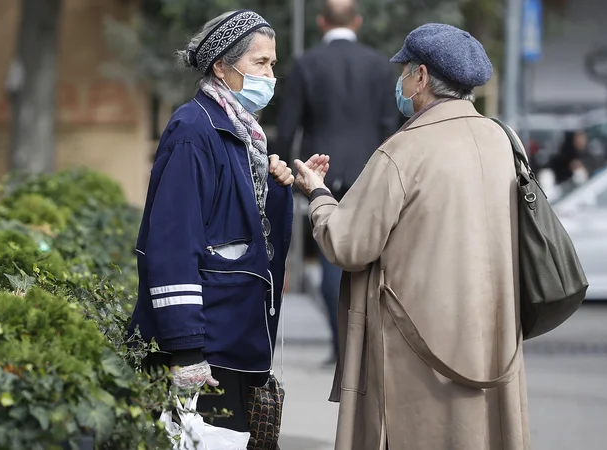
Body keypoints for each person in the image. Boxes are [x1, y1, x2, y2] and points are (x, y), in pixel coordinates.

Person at [293, 23, 530, 450]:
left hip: (417, 353)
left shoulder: (404, 150)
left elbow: (348, 245)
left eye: (404, 72)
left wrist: (319, 194)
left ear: (421, 77)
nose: (400, 83)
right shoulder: (501, 141)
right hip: (491, 342)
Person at [128, 10, 294, 433]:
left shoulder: (242, 132)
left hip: (236, 340)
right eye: (260, 64)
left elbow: (245, 235)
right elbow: (172, 243)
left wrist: (276, 187)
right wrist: (185, 351)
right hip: (206, 349)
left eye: (273, 64)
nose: (270, 75)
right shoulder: (194, 130)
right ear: (222, 66)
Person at [275, 0, 398, 366]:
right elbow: (390, 125)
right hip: (370, 172)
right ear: (357, 22)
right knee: (373, 257)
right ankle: (371, 346)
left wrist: (279, 170)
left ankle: (343, 348)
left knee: (332, 258)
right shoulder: (379, 65)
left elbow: (287, 126)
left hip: (322, 174)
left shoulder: (306, 63)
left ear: (320, 22)